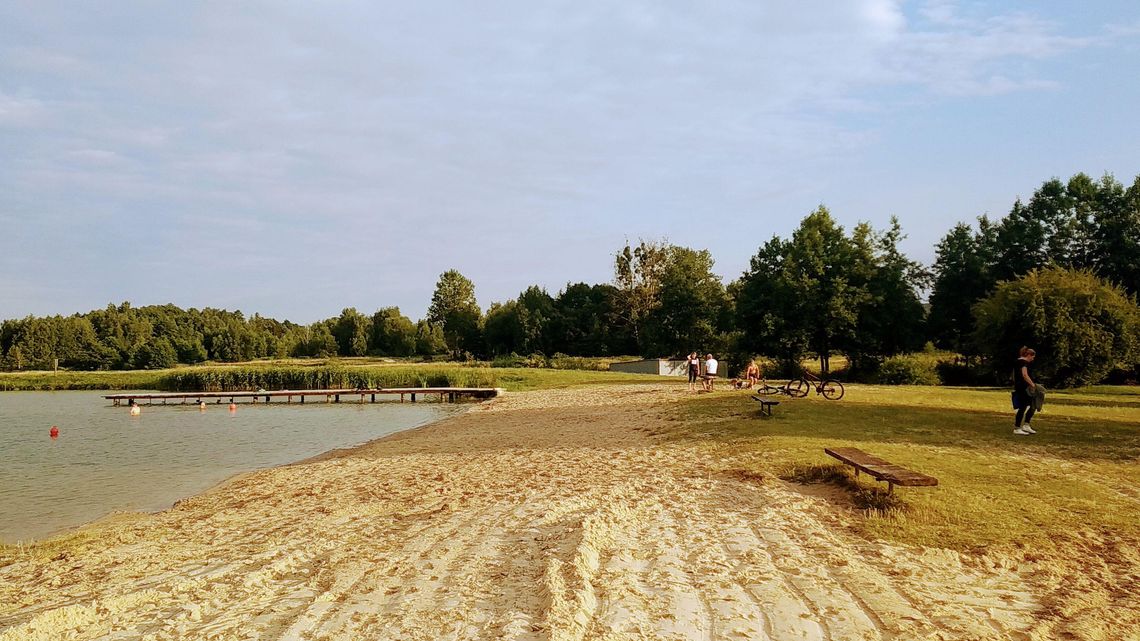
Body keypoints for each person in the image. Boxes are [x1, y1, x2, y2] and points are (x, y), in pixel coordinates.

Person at [1013, 346, 1038, 435]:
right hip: (1023, 388)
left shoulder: (1018, 362)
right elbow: (1025, 375)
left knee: (1033, 405)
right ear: (1028, 355)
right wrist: (1032, 384)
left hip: (1021, 387)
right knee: (1023, 407)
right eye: (1032, 357)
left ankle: (1026, 425)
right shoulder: (1023, 363)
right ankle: (1017, 427)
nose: (1032, 359)